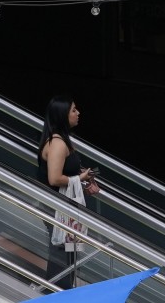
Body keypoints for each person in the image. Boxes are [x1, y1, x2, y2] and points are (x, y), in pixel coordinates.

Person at [38, 96, 95, 289]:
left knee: (68, 251)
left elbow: (66, 171)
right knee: (61, 252)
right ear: (62, 115)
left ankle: (62, 291)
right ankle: (56, 293)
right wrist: (79, 179)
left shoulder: (63, 141)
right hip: (56, 206)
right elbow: (54, 178)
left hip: (63, 206)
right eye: (73, 110)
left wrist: (84, 178)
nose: (78, 113)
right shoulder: (57, 143)